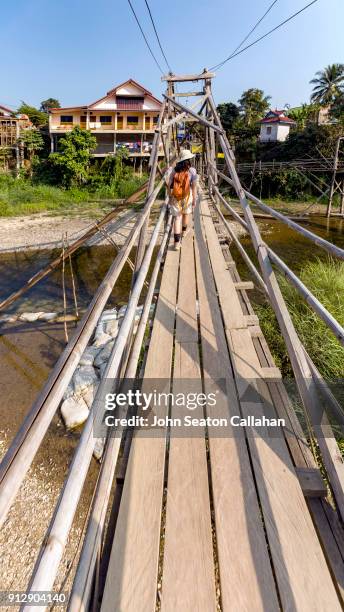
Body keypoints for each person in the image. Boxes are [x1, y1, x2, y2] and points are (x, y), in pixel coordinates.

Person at [166, 149, 198, 250]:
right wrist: (194, 199)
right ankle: (184, 232)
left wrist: (170, 197)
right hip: (187, 196)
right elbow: (194, 186)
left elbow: (168, 184)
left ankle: (176, 243)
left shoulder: (174, 170)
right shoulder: (192, 171)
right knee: (186, 214)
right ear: (188, 160)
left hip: (176, 197)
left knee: (177, 218)